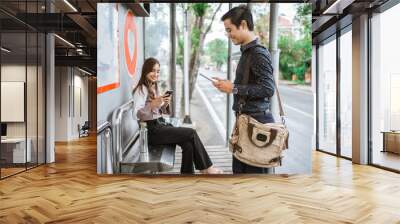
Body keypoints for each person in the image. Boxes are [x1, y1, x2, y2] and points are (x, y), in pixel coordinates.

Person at [212, 5, 275, 174]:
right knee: (240, 175)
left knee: (253, 181)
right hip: (246, 123)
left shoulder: (257, 54)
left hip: (256, 125)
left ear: (244, 25)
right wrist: (230, 87)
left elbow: (268, 89)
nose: (228, 34)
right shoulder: (247, 53)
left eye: (229, 29)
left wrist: (234, 88)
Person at [132, 57, 223, 174]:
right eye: (153, 71)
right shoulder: (141, 89)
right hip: (152, 131)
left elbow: (157, 112)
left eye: (158, 71)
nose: (156, 74)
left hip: (160, 125)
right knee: (191, 133)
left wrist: (164, 104)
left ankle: (187, 175)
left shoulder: (153, 87)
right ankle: (207, 169)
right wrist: (152, 105)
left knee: (188, 144)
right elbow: (136, 114)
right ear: (145, 71)